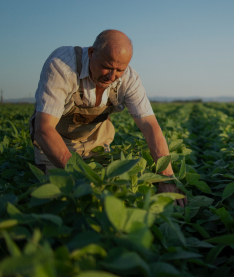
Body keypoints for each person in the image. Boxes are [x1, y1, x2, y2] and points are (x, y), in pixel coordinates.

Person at [29, 29, 187, 206]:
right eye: (107, 66)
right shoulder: (62, 66)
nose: (112, 76)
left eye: (119, 69)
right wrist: (84, 178)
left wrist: (166, 179)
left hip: (96, 143)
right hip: (55, 144)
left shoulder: (129, 78)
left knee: (115, 196)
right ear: (91, 53)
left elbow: (150, 126)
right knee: (62, 199)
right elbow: (43, 130)